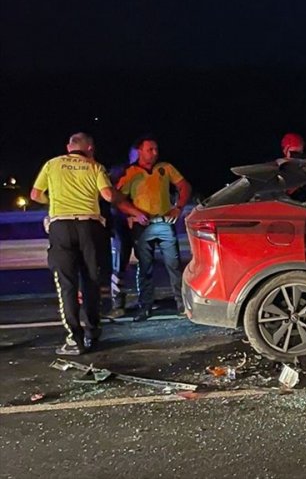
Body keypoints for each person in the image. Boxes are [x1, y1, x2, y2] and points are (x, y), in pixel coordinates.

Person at [30, 133, 148, 354]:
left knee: (67, 284)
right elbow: (107, 195)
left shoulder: (52, 164)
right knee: (92, 281)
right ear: (90, 148)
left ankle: (75, 340)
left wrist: (54, 201)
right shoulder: (95, 166)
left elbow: (36, 194)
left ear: (68, 147)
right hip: (90, 227)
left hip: (61, 227)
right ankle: (93, 332)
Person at [117, 136, 192, 321]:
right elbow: (118, 198)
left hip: (164, 223)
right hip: (142, 226)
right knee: (145, 267)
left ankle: (183, 304)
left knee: (174, 265)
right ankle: (145, 306)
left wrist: (178, 207)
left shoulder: (165, 168)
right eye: (150, 149)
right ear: (139, 151)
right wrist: (134, 212)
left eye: (156, 149)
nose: (155, 153)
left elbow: (184, 186)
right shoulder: (131, 172)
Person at [107, 146, 140, 318]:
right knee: (118, 264)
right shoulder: (121, 172)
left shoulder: (150, 172)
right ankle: (117, 303)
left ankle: (144, 299)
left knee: (144, 262)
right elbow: (111, 197)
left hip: (137, 223)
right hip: (120, 223)